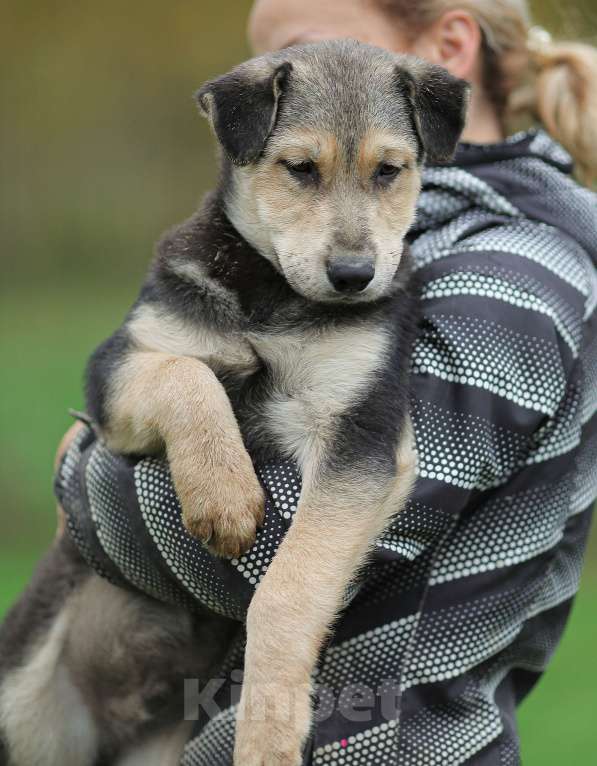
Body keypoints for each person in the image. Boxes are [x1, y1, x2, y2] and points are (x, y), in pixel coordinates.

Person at [29, 0, 597, 763]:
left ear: (448, 47)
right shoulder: (362, 250)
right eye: (274, 67)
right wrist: (165, 403)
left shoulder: (512, 278)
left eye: (317, 47)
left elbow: (239, 551)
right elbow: (130, 384)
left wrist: (81, 477)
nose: (301, 78)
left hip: (377, 742)